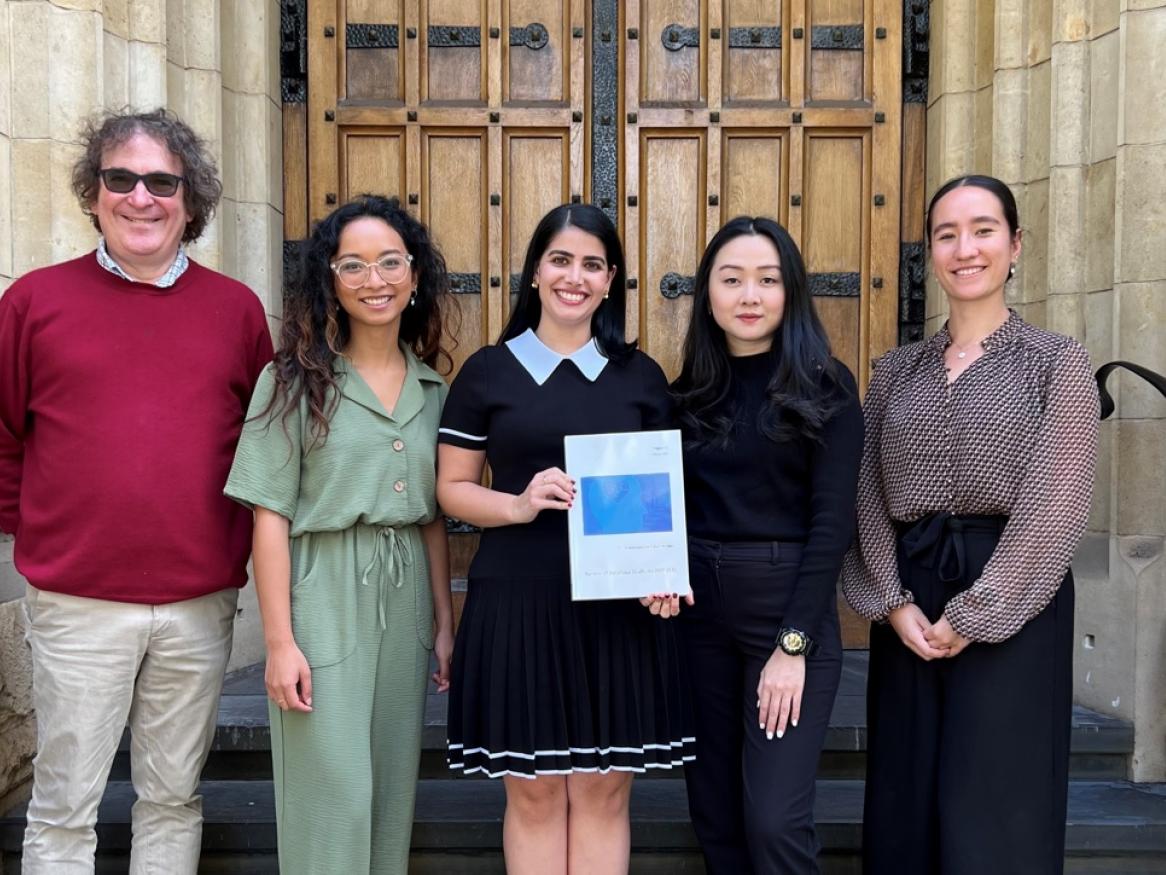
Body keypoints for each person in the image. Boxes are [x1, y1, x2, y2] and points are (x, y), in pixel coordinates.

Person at [0, 108, 273, 874]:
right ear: (93, 193)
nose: (141, 197)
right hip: (77, 604)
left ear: (192, 201)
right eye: (121, 178)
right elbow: (3, 433)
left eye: (162, 181)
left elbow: (264, 447)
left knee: (172, 798)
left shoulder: (237, 311)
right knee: (62, 808)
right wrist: (38, 539)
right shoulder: (34, 303)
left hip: (197, 603)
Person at [841, 174, 1099, 875]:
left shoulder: (1057, 363)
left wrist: (979, 610)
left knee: (996, 803)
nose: (965, 248)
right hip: (911, 601)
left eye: (983, 229)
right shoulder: (894, 372)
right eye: (947, 234)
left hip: (1016, 592)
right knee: (907, 798)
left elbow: (1057, 497)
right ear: (931, 251)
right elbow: (865, 488)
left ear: (1015, 245)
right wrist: (891, 601)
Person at [436, 203, 693, 875]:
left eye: (591, 264)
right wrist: (518, 503)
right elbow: (453, 488)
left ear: (611, 281)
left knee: (605, 791)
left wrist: (665, 571)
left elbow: (662, 498)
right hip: (518, 599)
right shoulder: (487, 372)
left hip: (618, 611)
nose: (574, 277)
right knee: (536, 792)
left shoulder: (639, 376)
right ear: (534, 273)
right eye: (560, 260)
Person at [224, 195, 454, 874]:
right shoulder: (291, 380)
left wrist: (445, 621)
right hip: (321, 589)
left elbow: (434, 514)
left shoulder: (433, 387)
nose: (374, 280)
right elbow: (269, 515)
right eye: (353, 265)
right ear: (328, 278)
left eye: (390, 262)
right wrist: (278, 641)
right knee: (335, 794)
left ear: (414, 276)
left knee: (388, 791)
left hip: (405, 587)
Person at [664, 216, 862, 874]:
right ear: (709, 293)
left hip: (784, 612)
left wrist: (794, 643)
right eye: (732, 278)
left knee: (774, 819)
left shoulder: (826, 388)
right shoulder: (686, 393)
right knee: (715, 814)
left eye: (768, 279)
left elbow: (832, 525)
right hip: (697, 620)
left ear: (791, 291)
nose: (750, 294)